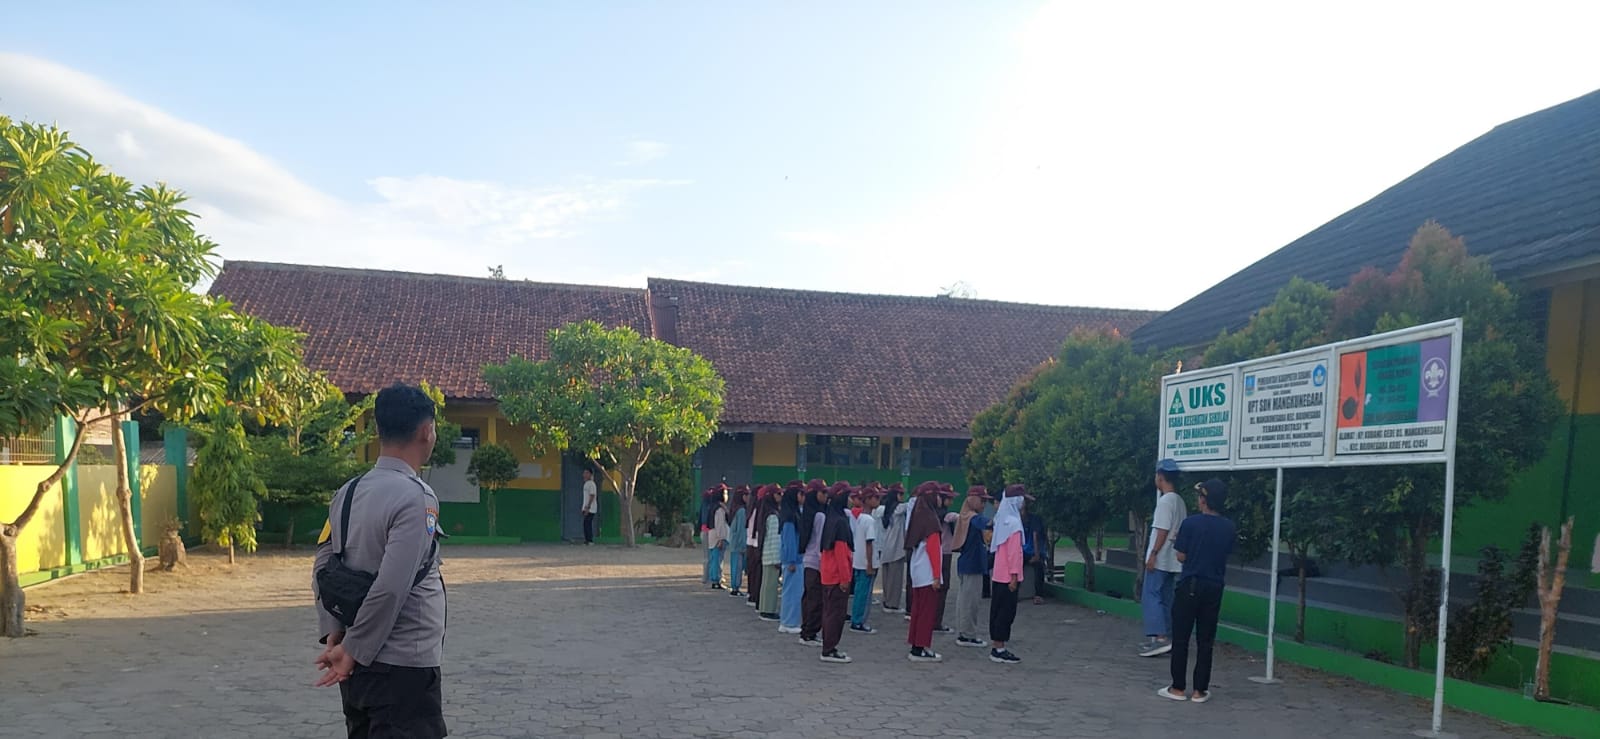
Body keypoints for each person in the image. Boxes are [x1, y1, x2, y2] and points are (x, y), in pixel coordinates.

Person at [312, 383, 448, 738]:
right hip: (402, 666)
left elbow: (323, 564)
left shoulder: (347, 492)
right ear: (426, 431)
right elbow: (391, 587)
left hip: (356, 666)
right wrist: (353, 649)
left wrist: (335, 633)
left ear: (378, 430)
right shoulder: (416, 497)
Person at [1160, 479, 1238, 704]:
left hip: (1190, 584)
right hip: (1214, 586)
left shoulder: (1190, 524)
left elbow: (1181, 556)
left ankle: (1177, 687)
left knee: (1181, 637)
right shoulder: (1229, 527)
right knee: (1206, 640)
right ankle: (1199, 690)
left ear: (1204, 500)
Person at [1141, 459, 1187, 658]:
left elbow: (1162, 530)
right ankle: (1167, 637)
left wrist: (1153, 554)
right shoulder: (1180, 501)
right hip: (1173, 560)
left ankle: (1160, 639)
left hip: (1160, 558)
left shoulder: (1165, 501)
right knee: (1166, 598)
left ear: (1160, 476)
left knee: (1151, 595)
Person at [988, 484, 1029, 664]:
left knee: (997, 609)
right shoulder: (1014, 524)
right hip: (1009, 576)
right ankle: (999, 648)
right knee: (1006, 612)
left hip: (998, 573)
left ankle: (996, 645)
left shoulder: (1001, 519)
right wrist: (1014, 576)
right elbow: (1014, 553)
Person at [904, 482, 945, 663]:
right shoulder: (931, 519)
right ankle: (921, 647)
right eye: (938, 495)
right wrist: (936, 576)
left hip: (917, 570)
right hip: (928, 573)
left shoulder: (917, 516)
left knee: (917, 611)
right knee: (927, 613)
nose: (940, 499)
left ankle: (915, 644)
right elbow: (933, 549)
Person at [819, 482, 856, 663]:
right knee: (836, 614)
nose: (851, 500)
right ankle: (830, 649)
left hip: (827, 574)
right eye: (849, 496)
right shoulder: (841, 522)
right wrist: (845, 578)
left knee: (828, 612)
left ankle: (827, 645)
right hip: (837, 576)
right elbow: (841, 553)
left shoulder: (830, 517)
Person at [953, 486, 992, 647]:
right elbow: (987, 523)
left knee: (965, 601)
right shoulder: (972, 517)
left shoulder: (966, 515)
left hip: (968, 564)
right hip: (972, 565)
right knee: (970, 602)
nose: (984, 504)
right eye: (982, 500)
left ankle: (964, 632)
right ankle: (967, 635)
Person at [798, 479, 829, 648]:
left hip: (807, 560)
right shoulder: (820, 515)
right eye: (823, 492)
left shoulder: (807, 512)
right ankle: (810, 633)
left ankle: (806, 631)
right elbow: (820, 542)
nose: (826, 496)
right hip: (817, 561)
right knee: (816, 600)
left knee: (808, 598)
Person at [849, 485, 882, 634]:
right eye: (876, 497)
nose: (878, 500)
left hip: (858, 561)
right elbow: (869, 543)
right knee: (864, 594)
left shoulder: (860, 517)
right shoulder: (868, 520)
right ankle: (858, 622)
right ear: (868, 500)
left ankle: (856, 620)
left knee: (859, 593)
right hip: (865, 563)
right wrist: (870, 564)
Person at [778, 482, 805, 634]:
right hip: (793, 560)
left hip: (795, 559)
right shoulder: (790, 517)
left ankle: (787, 620)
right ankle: (789, 622)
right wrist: (792, 560)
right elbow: (789, 541)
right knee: (792, 592)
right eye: (801, 494)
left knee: (792, 591)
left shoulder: (792, 513)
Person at [878, 483, 908, 614]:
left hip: (886, 547)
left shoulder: (885, 509)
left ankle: (886, 601)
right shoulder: (899, 509)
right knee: (895, 579)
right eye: (900, 494)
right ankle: (893, 604)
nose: (903, 496)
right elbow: (910, 504)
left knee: (887, 578)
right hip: (896, 548)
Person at [933, 484, 957, 635]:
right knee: (942, 588)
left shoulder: (934, 513)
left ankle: (934, 620)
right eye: (949, 498)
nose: (951, 501)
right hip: (944, 553)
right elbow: (955, 517)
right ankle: (936, 622)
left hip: (940, 552)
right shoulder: (944, 515)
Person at [757, 484, 782, 621]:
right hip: (772, 555)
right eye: (778, 494)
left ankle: (763, 608)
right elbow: (774, 539)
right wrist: (777, 559)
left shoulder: (765, 512)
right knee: (771, 585)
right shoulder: (773, 516)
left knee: (766, 584)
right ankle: (768, 610)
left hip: (766, 554)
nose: (780, 496)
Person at [702, 485, 730, 590]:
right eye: (725, 493)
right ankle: (716, 580)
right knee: (717, 560)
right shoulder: (719, 509)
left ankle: (714, 579)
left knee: (714, 558)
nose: (727, 496)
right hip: (717, 537)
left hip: (712, 535)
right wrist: (721, 538)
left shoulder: (713, 506)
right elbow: (719, 525)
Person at [1023, 500, 1049, 605]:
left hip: (1035, 551)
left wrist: (1037, 555)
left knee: (1039, 566)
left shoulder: (1034, 519)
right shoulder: (1016, 519)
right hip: (1023, 551)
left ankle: (1039, 595)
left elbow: (1035, 537)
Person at [726, 486, 748, 597]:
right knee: (738, 567)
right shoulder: (742, 511)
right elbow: (742, 530)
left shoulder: (734, 509)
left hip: (734, 542)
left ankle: (734, 587)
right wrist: (744, 546)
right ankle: (736, 587)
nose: (748, 497)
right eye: (746, 495)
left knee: (734, 566)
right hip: (739, 544)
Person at [742, 485, 762, 609]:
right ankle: (754, 596)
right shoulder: (758, 510)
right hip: (755, 544)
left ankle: (751, 594)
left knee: (752, 572)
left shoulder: (751, 508)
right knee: (756, 573)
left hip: (750, 543)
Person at [581, 467, 599, 545]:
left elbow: (592, 495)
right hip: (586, 507)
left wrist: (588, 507)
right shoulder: (586, 484)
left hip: (591, 508)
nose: (584, 475)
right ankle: (587, 540)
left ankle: (590, 540)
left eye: (586, 473)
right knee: (586, 524)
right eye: (584, 473)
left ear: (590, 474)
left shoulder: (591, 484)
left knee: (587, 523)